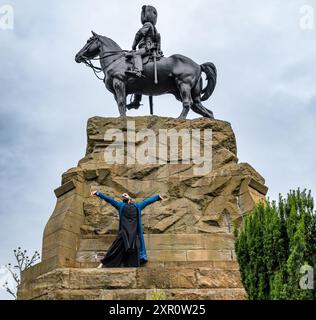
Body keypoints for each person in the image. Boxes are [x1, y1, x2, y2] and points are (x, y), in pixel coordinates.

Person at [91, 191, 163, 267]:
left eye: (125, 195)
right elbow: (110, 199)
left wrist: (157, 197)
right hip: (127, 234)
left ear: (130, 199)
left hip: (129, 234)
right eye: (123, 195)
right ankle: (104, 263)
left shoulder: (133, 206)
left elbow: (147, 201)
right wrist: (98, 193)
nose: (124, 195)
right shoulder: (125, 206)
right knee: (116, 249)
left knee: (128, 250)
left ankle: (128, 265)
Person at [125, 5, 163, 110]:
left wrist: (133, 46)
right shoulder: (154, 27)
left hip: (147, 48)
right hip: (151, 49)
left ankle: (138, 71)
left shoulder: (147, 24)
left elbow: (140, 34)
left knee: (136, 54)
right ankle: (136, 101)